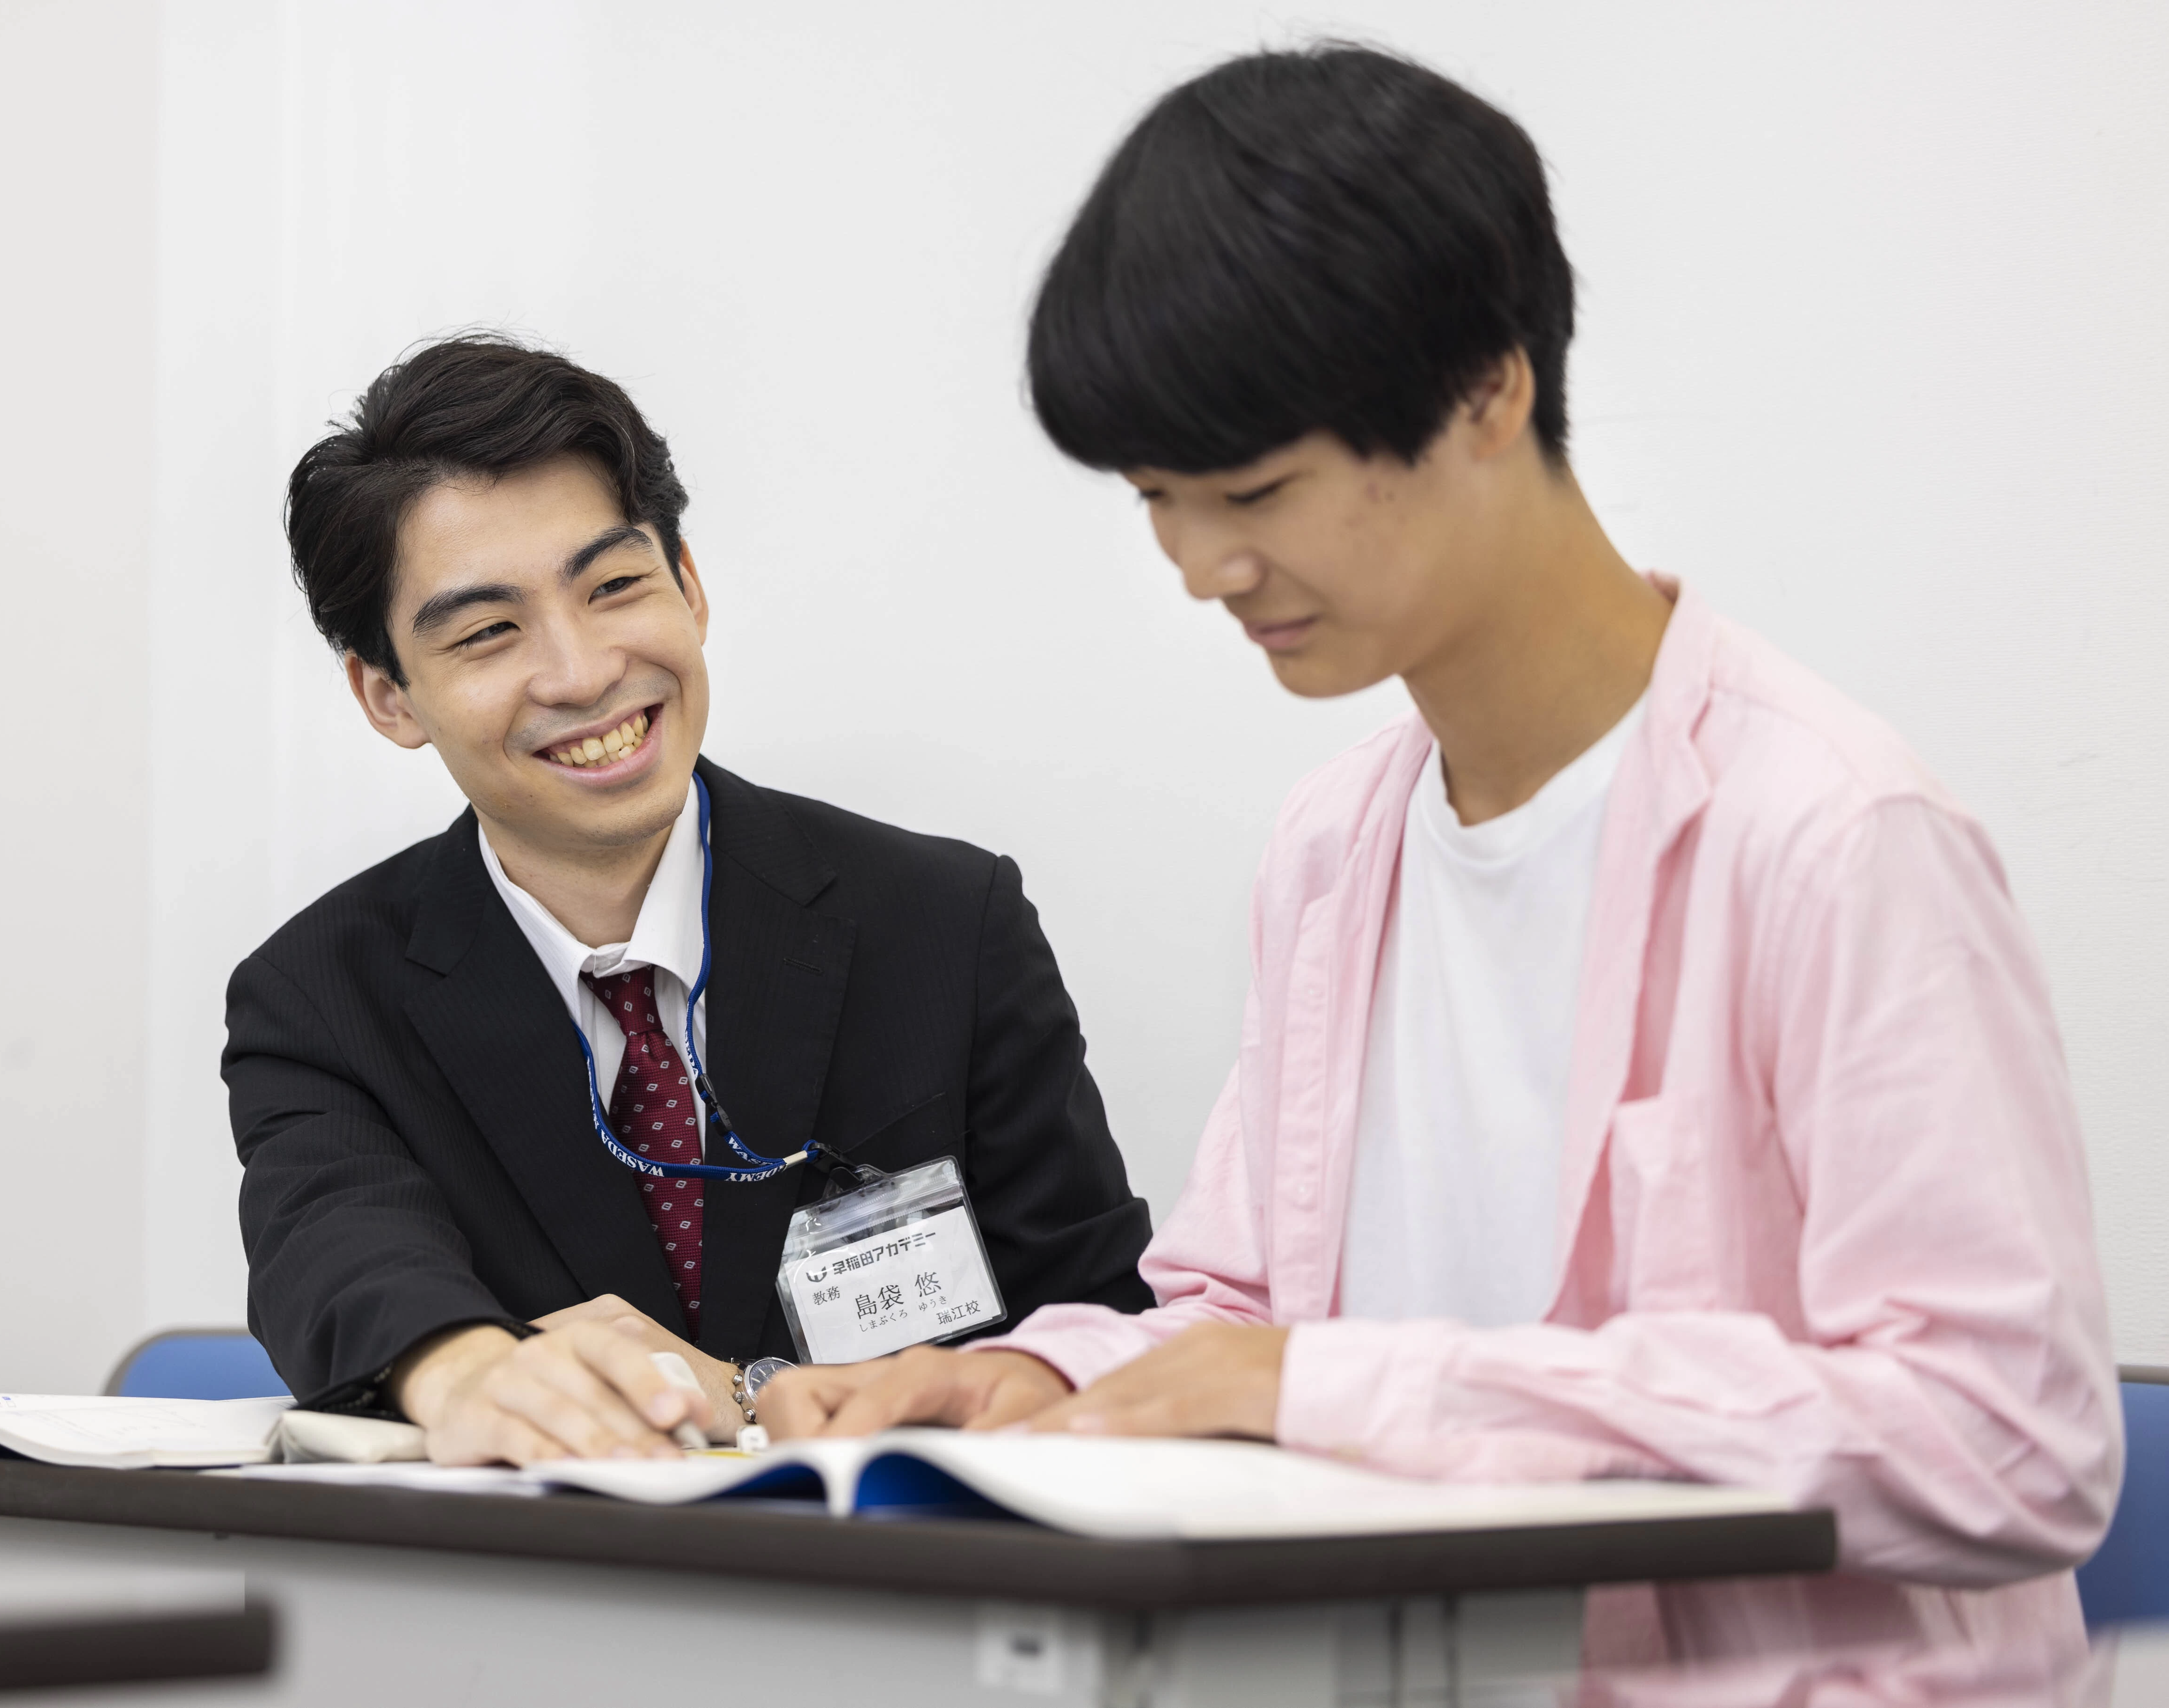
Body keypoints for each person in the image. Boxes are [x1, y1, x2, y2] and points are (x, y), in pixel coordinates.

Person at [762, 46, 2119, 1664]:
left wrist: (1344, 1390)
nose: (1203, 564)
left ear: (1489, 390)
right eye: (1156, 499)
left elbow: (2007, 1440)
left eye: (1254, 488)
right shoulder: (1339, 844)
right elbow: (1246, 1314)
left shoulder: (1829, 835)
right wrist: (1057, 1374)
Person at [225, 336, 1152, 1467]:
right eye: (487, 633)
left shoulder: (944, 923)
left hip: (920, 1590)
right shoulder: (322, 995)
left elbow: (1100, 1327)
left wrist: (760, 1394)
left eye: (614, 586)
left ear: (692, 586)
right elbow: (335, 1249)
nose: (580, 672)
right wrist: (469, 1369)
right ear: (389, 696)